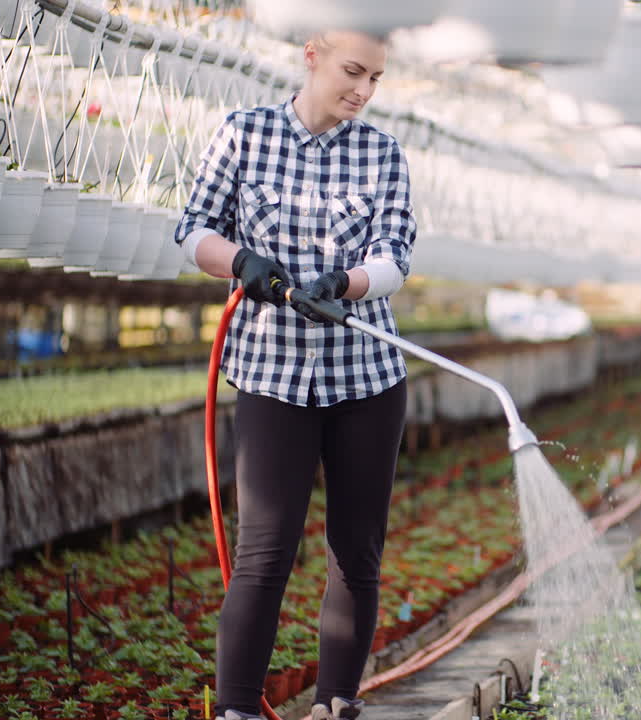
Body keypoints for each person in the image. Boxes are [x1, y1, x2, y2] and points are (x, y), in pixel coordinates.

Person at [173, 27, 417, 720]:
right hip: (272, 375)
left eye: (375, 78)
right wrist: (240, 263)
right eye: (352, 71)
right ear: (311, 56)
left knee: (355, 552)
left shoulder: (382, 153)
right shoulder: (244, 135)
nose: (364, 91)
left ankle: (335, 704)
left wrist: (348, 283)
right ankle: (238, 710)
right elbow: (192, 229)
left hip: (366, 379)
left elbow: (395, 255)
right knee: (264, 551)